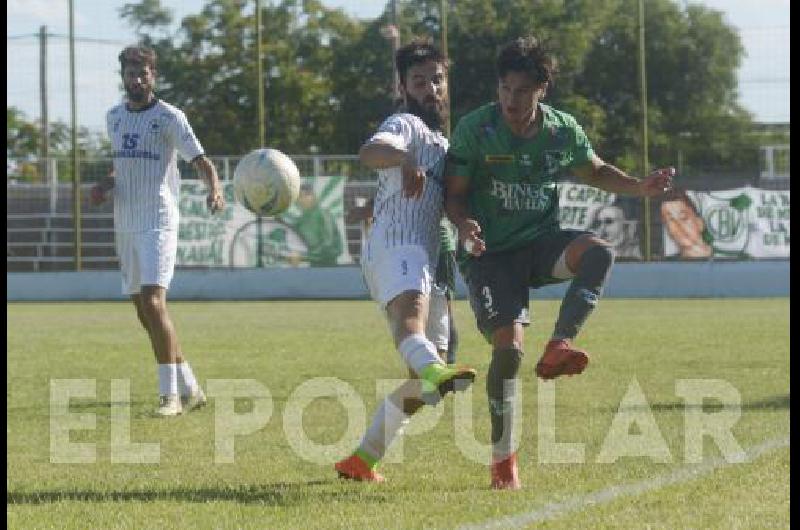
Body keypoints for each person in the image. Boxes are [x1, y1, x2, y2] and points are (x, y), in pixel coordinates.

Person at [445, 36, 674, 489]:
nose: (511, 100)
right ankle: (503, 463)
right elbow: (453, 194)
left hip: (539, 243)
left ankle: (559, 345)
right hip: (488, 254)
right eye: (505, 90)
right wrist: (464, 224)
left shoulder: (561, 129)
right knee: (507, 352)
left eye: (522, 91)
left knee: (599, 253)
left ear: (541, 90)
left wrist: (639, 187)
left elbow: (595, 171)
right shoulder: (476, 128)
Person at [335, 39, 476, 483]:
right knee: (411, 329)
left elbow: (449, 198)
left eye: (437, 79)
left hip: (429, 256)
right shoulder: (405, 125)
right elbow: (370, 152)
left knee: (422, 388)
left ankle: (362, 460)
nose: (431, 88)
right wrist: (405, 157)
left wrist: (467, 224)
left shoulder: (444, 141)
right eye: (420, 81)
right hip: (396, 244)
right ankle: (436, 368)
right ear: (403, 86)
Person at [90, 45, 225, 417]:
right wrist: (104, 186)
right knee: (143, 311)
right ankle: (189, 385)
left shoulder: (169, 117)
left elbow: (201, 160)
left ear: (153, 75)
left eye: (143, 72)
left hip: (159, 220)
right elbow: (122, 166)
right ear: (123, 76)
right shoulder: (114, 118)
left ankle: (170, 398)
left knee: (153, 301)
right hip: (126, 223)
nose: (137, 78)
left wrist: (214, 187)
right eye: (131, 72)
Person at [287, 182, 344, 267]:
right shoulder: (299, 222)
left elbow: (328, 245)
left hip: (329, 266)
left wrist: (303, 256)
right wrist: (292, 254)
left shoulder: (324, 215)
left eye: (307, 195)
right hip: (312, 267)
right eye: (300, 197)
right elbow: (293, 244)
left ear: (314, 197)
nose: (303, 199)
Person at [660, 193, 712, 258]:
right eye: (671, 220)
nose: (679, 225)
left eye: (684, 218)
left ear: (700, 223)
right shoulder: (665, 264)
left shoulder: (723, 257)